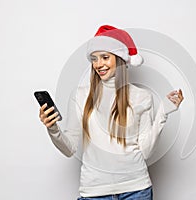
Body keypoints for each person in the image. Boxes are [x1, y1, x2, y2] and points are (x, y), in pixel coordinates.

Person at [39, 25, 184, 200]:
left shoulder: (142, 97)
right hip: (94, 193)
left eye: (105, 57)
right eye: (94, 58)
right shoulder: (80, 96)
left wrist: (163, 113)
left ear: (120, 59)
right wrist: (53, 128)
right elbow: (69, 149)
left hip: (136, 190)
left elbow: (145, 151)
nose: (98, 64)